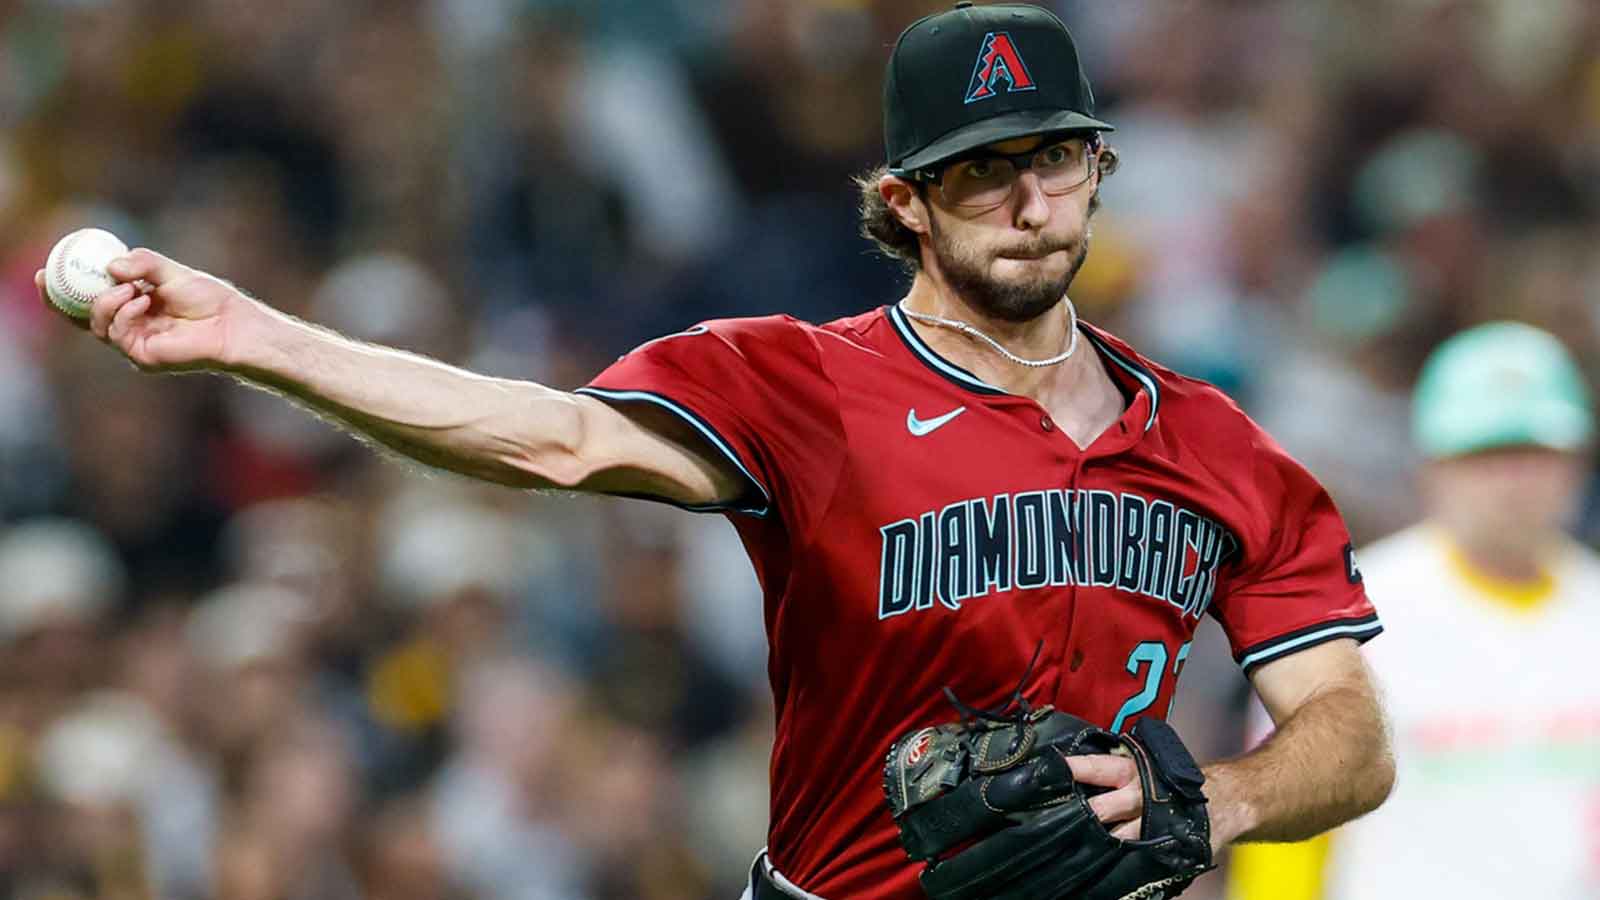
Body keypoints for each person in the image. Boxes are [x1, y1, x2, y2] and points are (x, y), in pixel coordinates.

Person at [45, 4, 1393, 898]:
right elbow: (556, 439)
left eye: (1053, 158)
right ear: (906, 203)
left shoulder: (1218, 442)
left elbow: (1350, 735)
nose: (1027, 200)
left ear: (1099, 167)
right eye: (983, 170)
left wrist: (1224, 798)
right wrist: (258, 337)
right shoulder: (803, 382)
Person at [1229, 321, 1600, 900]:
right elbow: (1286, 828)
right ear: (1431, 467)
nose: (1513, 483)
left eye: (1534, 454)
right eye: (1485, 455)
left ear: (1576, 464)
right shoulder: (1344, 622)